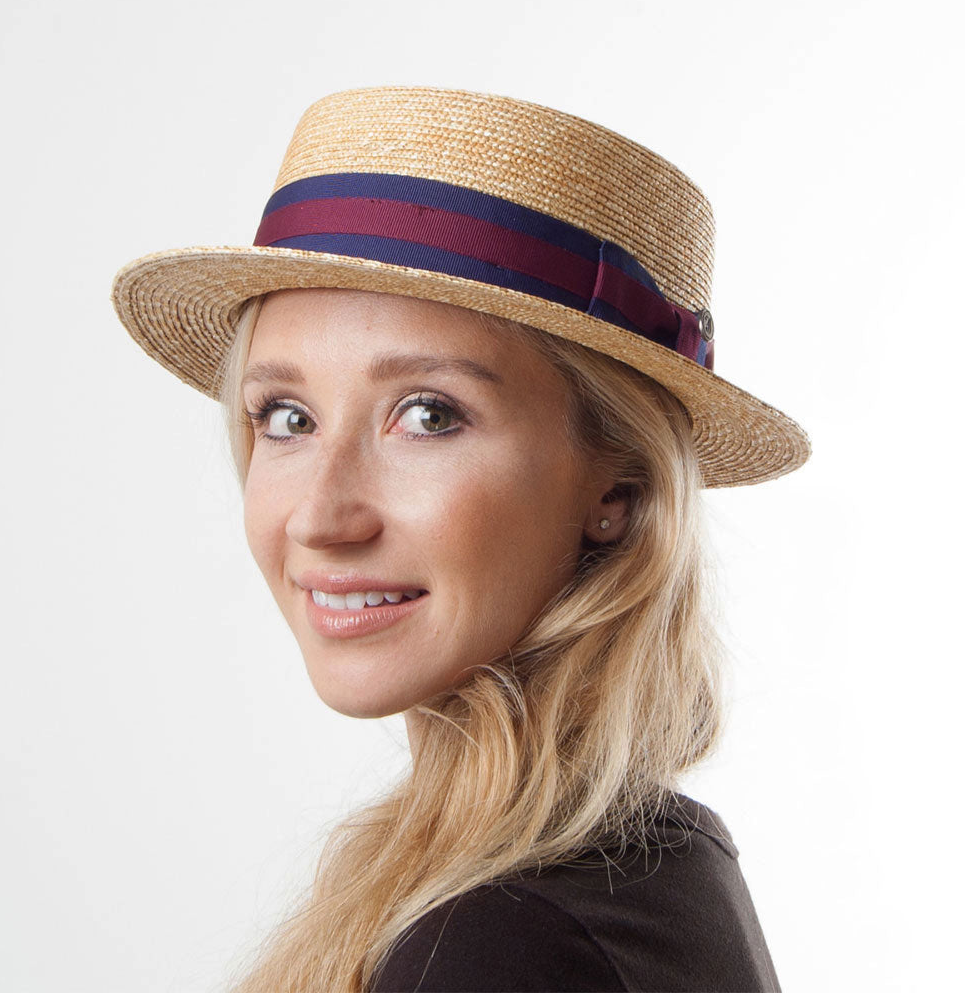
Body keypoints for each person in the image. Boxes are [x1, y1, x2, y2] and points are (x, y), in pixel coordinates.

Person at [111, 85, 810, 993]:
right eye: (286, 417)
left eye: (429, 415)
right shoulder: (637, 871)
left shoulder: (504, 941)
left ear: (620, 489)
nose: (320, 517)